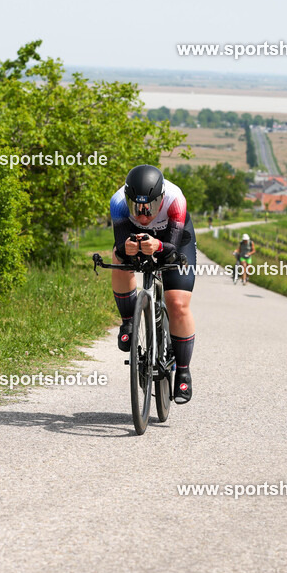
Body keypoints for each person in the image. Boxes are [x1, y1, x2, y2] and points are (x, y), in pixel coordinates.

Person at [110, 165, 197, 404]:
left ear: (160, 198)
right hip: (137, 237)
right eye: (136, 206)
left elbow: (172, 246)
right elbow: (120, 242)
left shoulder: (175, 199)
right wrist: (125, 249)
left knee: (178, 302)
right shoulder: (117, 202)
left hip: (175, 238)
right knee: (118, 259)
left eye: (149, 206)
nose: (143, 213)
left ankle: (183, 371)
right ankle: (128, 322)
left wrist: (158, 247)